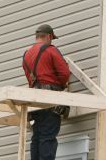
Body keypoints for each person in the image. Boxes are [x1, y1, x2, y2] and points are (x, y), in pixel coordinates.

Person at [22, 24, 70, 160]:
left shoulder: (26, 54)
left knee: (37, 136)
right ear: (49, 36)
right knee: (48, 136)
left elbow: (29, 78)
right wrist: (61, 86)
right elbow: (64, 73)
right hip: (49, 99)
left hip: (34, 100)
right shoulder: (50, 50)